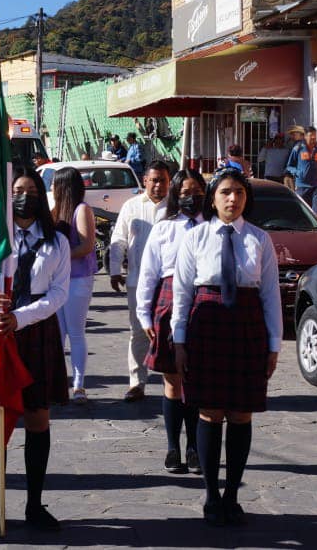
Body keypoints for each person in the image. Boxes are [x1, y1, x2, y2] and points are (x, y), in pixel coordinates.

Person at [171, 168, 282, 527]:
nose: (232, 199)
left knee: (240, 413)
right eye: (225, 192)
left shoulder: (259, 239)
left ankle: (232, 495)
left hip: (246, 328)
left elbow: (270, 295)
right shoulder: (196, 238)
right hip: (207, 327)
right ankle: (210, 494)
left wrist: (273, 344)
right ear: (213, 198)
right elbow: (182, 292)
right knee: (210, 411)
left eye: (238, 192)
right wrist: (180, 339)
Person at [0, 166, 70, 532]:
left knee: (37, 418)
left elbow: (59, 293)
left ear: (42, 197)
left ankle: (34, 503)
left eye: (31, 190)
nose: (23, 196)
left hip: (37, 331)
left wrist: (22, 317)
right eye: (17, 190)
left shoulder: (55, 241)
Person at [135, 169, 206, 476]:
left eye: (198, 192)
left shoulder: (213, 228)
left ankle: (194, 446)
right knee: (172, 380)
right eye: (186, 192)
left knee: (195, 379)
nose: (193, 198)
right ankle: (172, 447)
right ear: (176, 195)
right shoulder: (164, 229)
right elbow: (148, 273)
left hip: (202, 305)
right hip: (167, 302)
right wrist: (144, 313)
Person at [109, 159, 172, 403]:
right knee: (138, 332)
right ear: (145, 180)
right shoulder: (131, 206)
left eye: (163, 181)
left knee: (170, 332)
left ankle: (175, 382)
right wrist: (115, 270)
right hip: (137, 281)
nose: (158, 185)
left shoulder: (175, 208)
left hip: (168, 282)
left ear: (169, 182)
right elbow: (119, 239)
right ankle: (137, 382)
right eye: (154, 180)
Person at [49, 166, 97, 404]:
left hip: (79, 279)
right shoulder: (56, 211)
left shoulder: (81, 210)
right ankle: (57, 382)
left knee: (75, 331)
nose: (51, 187)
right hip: (58, 280)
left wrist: (60, 258)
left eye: (54, 183)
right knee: (57, 333)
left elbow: (87, 245)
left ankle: (78, 384)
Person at [286, 126, 317, 218]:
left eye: (315, 137)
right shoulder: (298, 148)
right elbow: (289, 166)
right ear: (305, 136)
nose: (313, 138)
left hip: (316, 187)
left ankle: (315, 232)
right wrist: (297, 172)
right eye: (311, 136)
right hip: (301, 187)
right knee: (302, 214)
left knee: (316, 214)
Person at [282, 126, 305, 191]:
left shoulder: (300, 146)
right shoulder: (295, 145)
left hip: (294, 176)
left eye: (294, 134)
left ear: (301, 135)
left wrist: (296, 172)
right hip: (290, 175)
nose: (292, 136)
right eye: (291, 134)